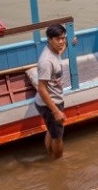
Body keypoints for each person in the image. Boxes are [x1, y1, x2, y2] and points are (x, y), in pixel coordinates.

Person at [35, 23, 67, 158]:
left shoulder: (54, 50)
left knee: (51, 131)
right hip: (50, 103)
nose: (61, 42)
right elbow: (41, 88)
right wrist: (55, 111)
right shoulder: (46, 61)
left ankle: (49, 154)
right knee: (57, 137)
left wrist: (69, 43)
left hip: (47, 102)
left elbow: (60, 50)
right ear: (49, 39)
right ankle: (58, 163)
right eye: (57, 39)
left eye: (63, 38)